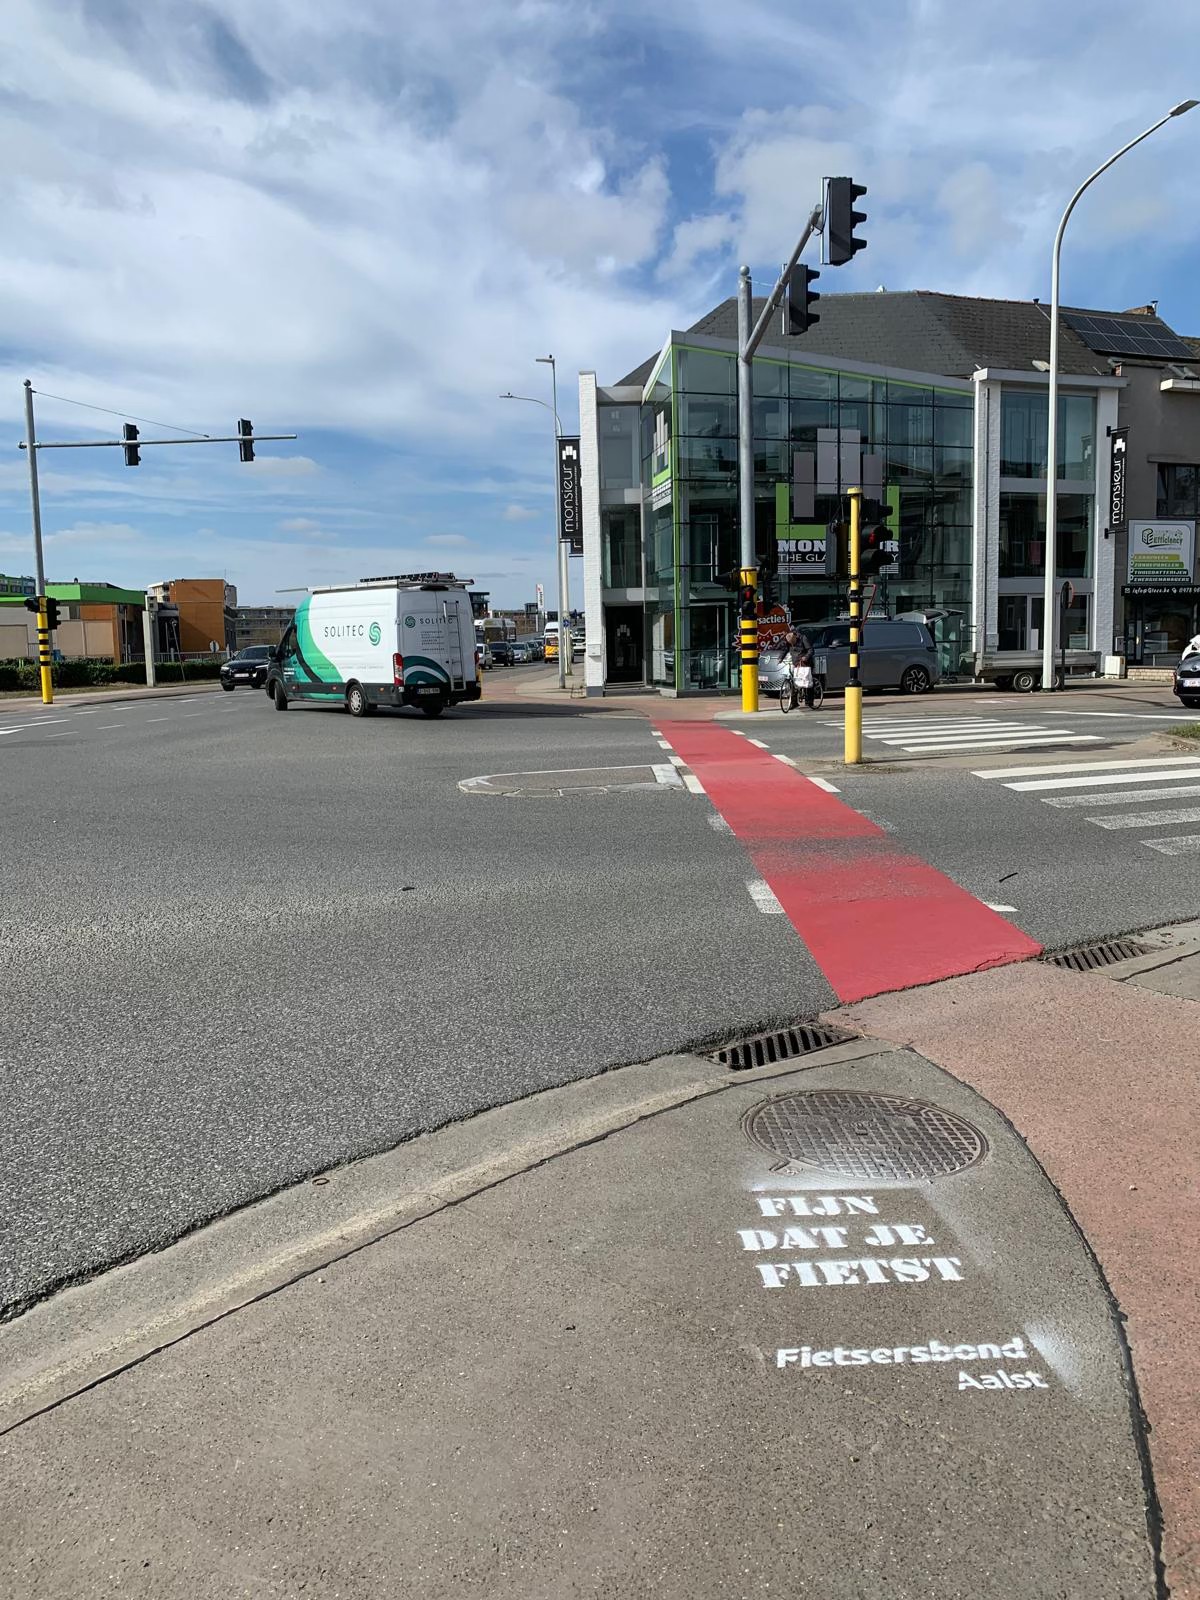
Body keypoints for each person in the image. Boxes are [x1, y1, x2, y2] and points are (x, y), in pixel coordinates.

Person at [781, 628, 814, 709]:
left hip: (805, 663)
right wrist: (781, 658)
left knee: (807, 681)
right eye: (790, 644)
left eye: (793, 643)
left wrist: (806, 657)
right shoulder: (789, 639)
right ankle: (794, 702)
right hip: (795, 662)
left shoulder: (803, 638)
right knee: (793, 681)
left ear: (795, 637)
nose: (792, 645)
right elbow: (786, 650)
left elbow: (811, 650)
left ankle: (809, 701)